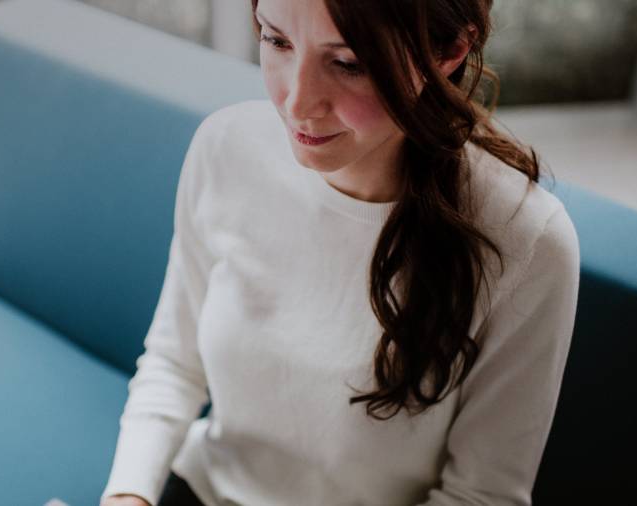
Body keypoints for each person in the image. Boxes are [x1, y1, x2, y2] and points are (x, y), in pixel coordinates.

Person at [101, 0, 580, 504]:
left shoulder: (526, 243)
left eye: (350, 63)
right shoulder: (225, 147)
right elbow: (174, 363)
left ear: (450, 52)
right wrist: (127, 494)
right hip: (203, 488)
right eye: (276, 40)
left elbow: (481, 496)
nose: (297, 102)